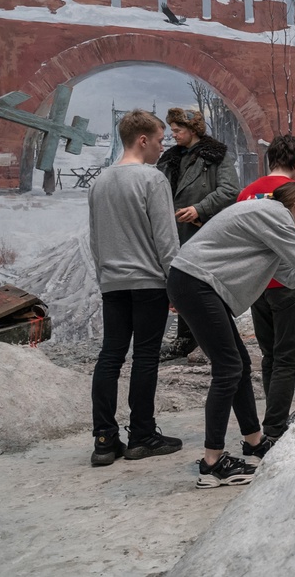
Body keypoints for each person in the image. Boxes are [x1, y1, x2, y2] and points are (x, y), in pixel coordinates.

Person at [169, 182, 295, 488]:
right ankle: (212, 463)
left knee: (239, 365)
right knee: (228, 369)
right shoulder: (275, 216)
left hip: (195, 282)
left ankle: (255, 441)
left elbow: (290, 274)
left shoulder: (271, 218)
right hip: (196, 283)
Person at [88, 109, 182, 467]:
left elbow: (95, 239)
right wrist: (176, 283)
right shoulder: (152, 179)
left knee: (110, 356)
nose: (162, 147)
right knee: (144, 356)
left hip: (112, 282)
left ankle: (103, 440)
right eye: (160, 140)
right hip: (148, 282)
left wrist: (104, 277)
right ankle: (142, 435)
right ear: (142, 140)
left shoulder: (99, 181)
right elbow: (166, 239)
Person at [235, 134, 295, 442]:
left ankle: (272, 418)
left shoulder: (246, 193)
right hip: (289, 282)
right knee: (286, 359)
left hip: (257, 284)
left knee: (269, 356)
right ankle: (274, 428)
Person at [157, 107, 240, 358]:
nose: (173, 135)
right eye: (171, 130)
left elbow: (229, 190)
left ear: (193, 130)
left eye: (178, 130)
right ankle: (187, 338)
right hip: (175, 231)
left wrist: (199, 209)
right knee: (182, 285)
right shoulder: (170, 159)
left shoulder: (217, 157)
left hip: (205, 231)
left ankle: (219, 339)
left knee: (208, 287)